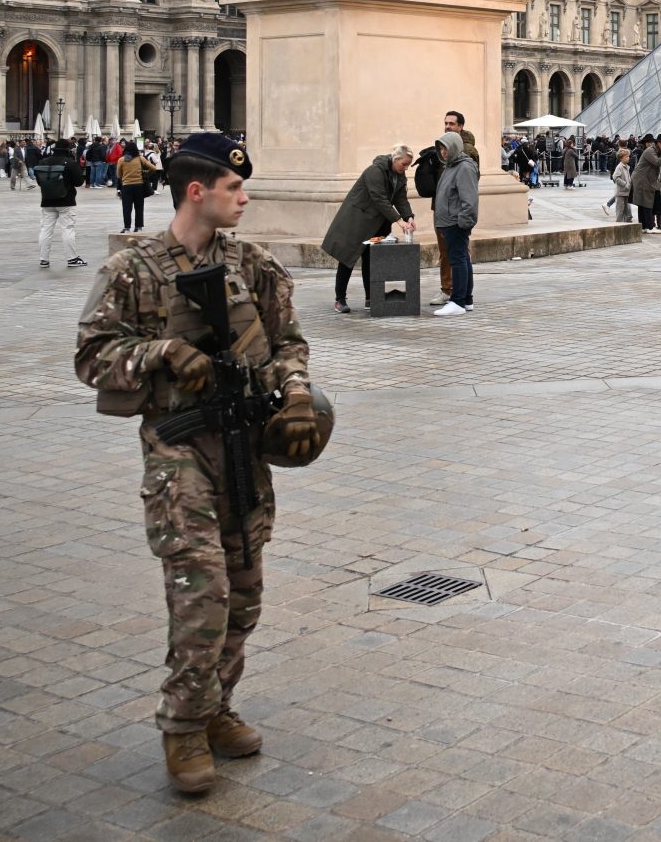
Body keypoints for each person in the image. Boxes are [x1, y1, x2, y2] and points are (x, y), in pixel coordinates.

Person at [74, 133, 317, 794]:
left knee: (245, 592)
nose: (245, 198)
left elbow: (289, 343)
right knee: (202, 593)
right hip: (178, 450)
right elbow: (91, 356)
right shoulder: (132, 270)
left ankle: (216, 706)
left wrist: (296, 393)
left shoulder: (252, 264)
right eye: (234, 188)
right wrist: (159, 352)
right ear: (196, 191)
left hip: (245, 447)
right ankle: (182, 726)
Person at [322, 147, 414, 313]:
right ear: (395, 159)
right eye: (404, 164)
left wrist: (409, 217)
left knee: (371, 259)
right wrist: (399, 220)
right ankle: (340, 299)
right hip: (359, 222)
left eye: (408, 165)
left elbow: (401, 199)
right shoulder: (374, 171)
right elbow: (379, 198)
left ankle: (371, 298)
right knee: (347, 258)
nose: (406, 168)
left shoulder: (399, 176)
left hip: (378, 226)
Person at [427, 111, 479, 308]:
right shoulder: (449, 161)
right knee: (456, 256)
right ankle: (464, 299)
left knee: (457, 258)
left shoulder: (464, 162)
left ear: (460, 127)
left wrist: (463, 221)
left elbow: (469, 196)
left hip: (455, 218)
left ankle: (457, 299)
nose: (447, 126)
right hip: (447, 216)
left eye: (452, 123)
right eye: (446, 123)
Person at [32, 139, 89, 267]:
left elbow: (40, 182)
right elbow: (79, 182)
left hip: (47, 200)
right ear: (68, 149)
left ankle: (43, 259)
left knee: (45, 230)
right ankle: (72, 258)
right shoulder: (70, 163)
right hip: (66, 200)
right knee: (68, 229)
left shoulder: (43, 162)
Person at [116, 144, 161, 233]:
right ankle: (138, 226)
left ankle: (127, 227)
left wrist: (124, 176)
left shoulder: (121, 160)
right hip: (139, 186)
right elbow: (153, 168)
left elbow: (118, 175)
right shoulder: (140, 158)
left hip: (126, 186)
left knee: (126, 208)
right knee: (139, 207)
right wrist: (146, 175)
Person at [631, 135, 661, 233]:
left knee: (643, 203)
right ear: (660, 143)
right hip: (643, 180)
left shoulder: (653, 150)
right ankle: (650, 227)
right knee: (647, 202)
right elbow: (657, 162)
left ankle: (643, 226)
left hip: (643, 179)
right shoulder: (650, 151)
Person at [608, 143, 634, 223]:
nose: (628, 158)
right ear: (621, 158)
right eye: (626, 157)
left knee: (626, 212)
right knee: (620, 211)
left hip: (625, 192)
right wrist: (625, 184)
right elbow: (615, 177)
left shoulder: (626, 166)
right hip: (620, 193)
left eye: (628, 156)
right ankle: (618, 225)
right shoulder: (620, 167)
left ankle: (624, 224)